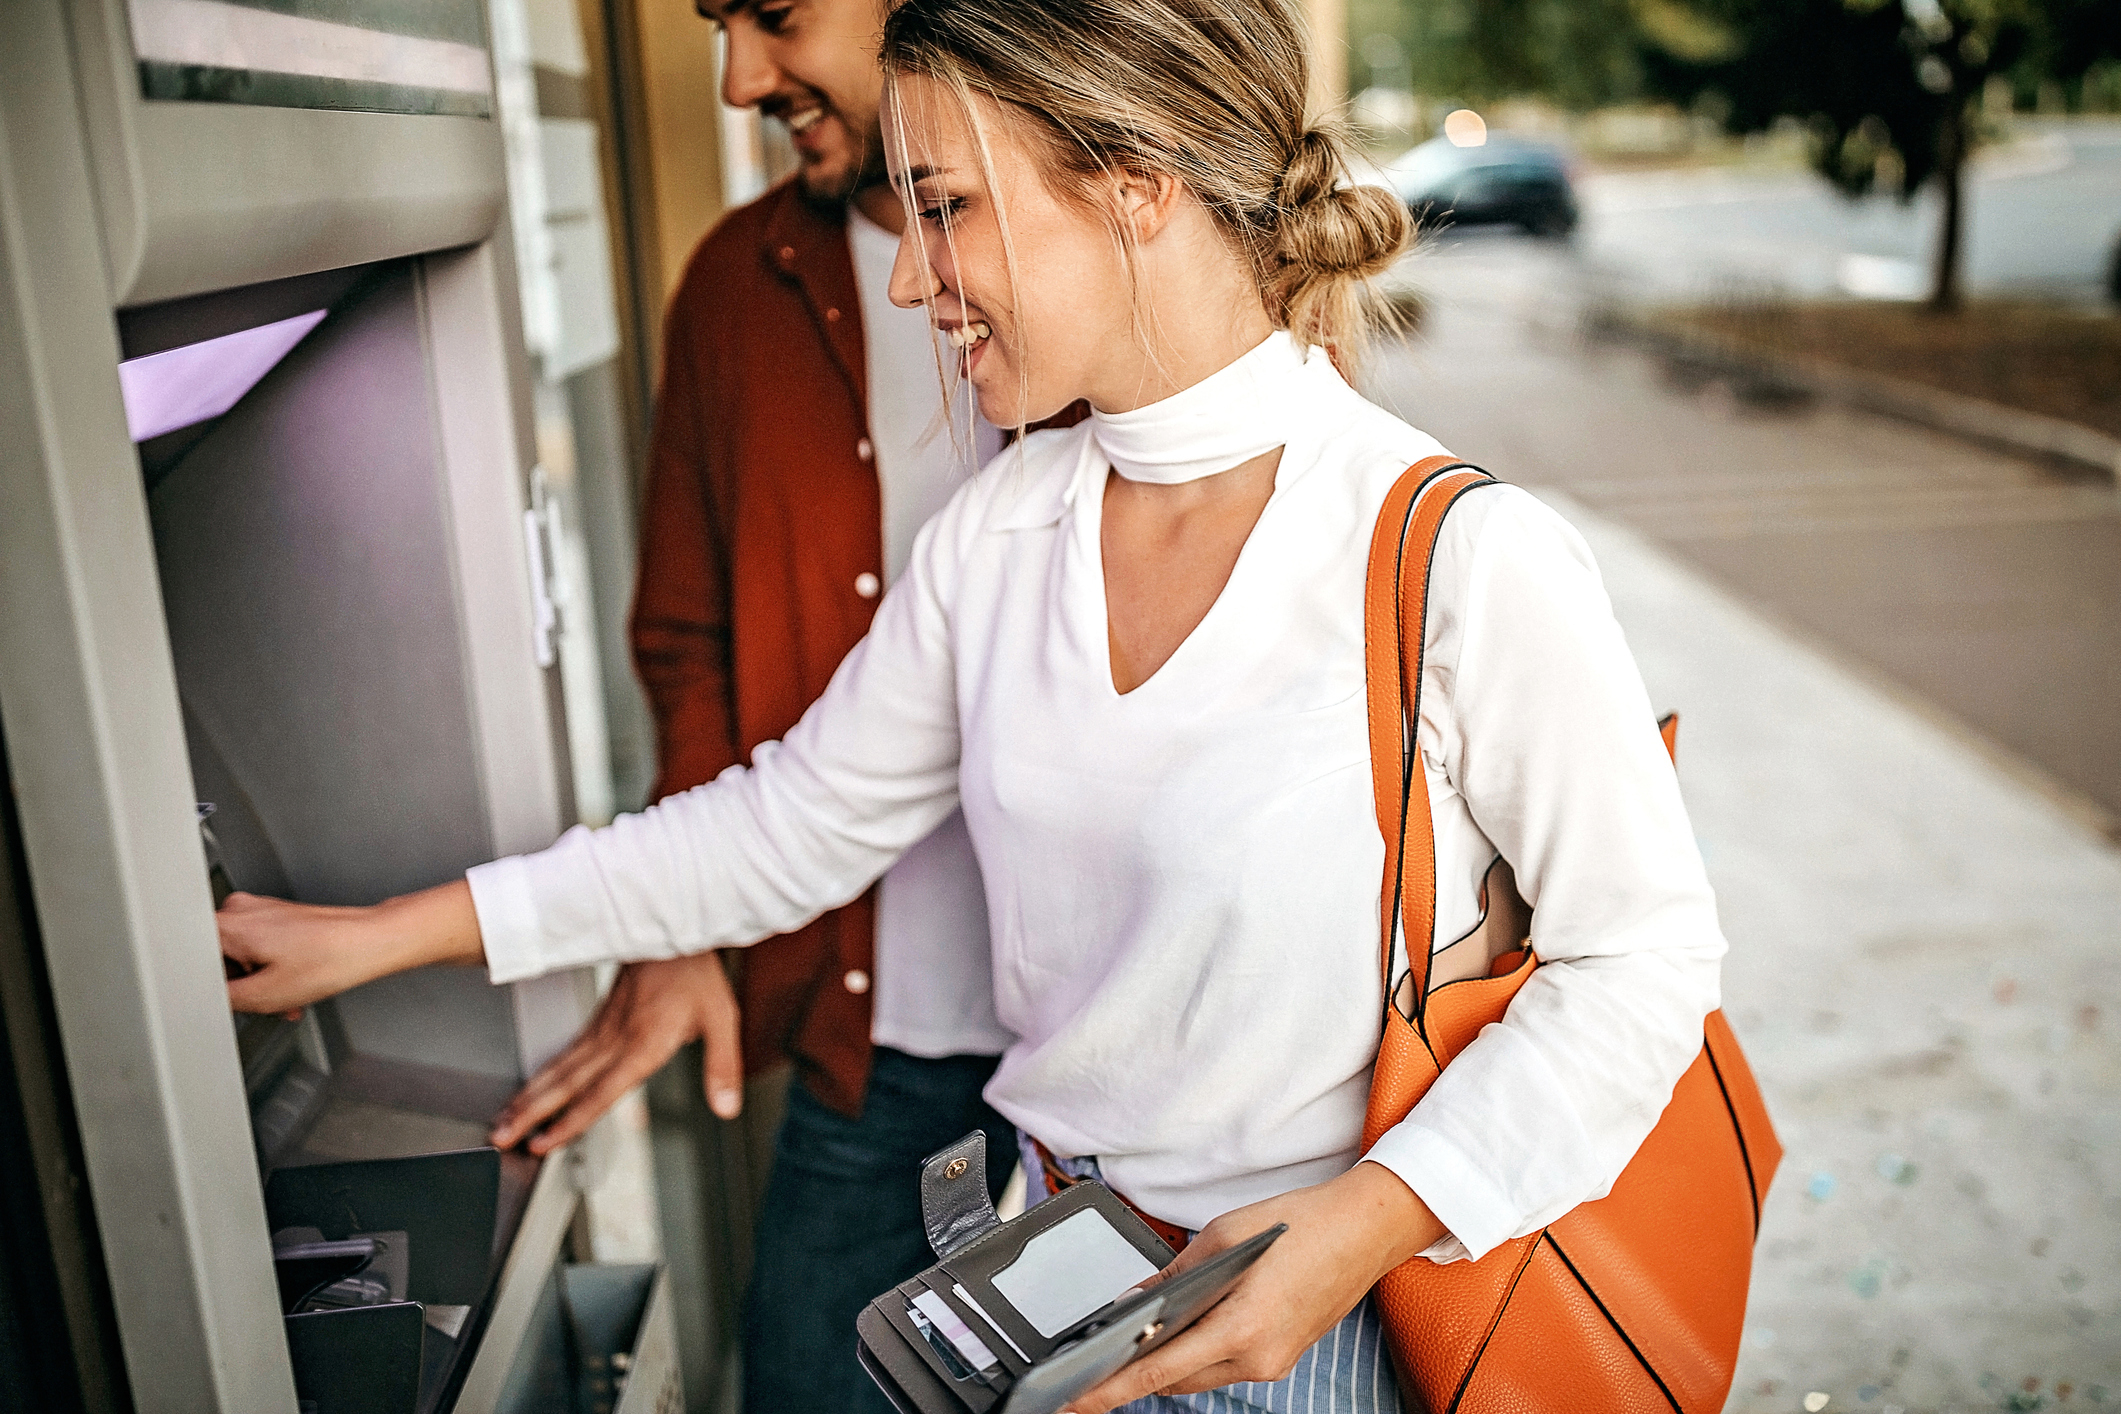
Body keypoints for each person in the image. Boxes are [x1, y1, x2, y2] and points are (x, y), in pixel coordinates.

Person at [220, 1, 1728, 1409]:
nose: (905, 270)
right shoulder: (1000, 536)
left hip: (1333, 1322)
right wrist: (373, 937)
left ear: (1134, 185)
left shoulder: (1456, 552)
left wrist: (1363, 1223)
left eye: (944, 207)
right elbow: (782, 829)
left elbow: (1643, 961)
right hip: (1048, 1287)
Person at [483, 2, 1010, 1410]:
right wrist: (682, 930)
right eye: (719, 26)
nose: (737, 81)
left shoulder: (1132, 298)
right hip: (871, 1041)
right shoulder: (736, 285)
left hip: (1114, 1073)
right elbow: (686, 642)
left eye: (773, 16)